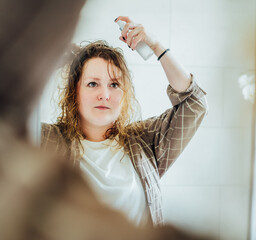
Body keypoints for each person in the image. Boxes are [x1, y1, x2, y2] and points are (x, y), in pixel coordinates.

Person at [41, 16, 208, 227]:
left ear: (124, 94)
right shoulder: (48, 141)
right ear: (74, 92)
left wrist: (157, 46)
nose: (104, 95)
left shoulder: (144, 142)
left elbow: (194, 102)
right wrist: (43, 59)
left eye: (114, 85)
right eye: (92, 84)